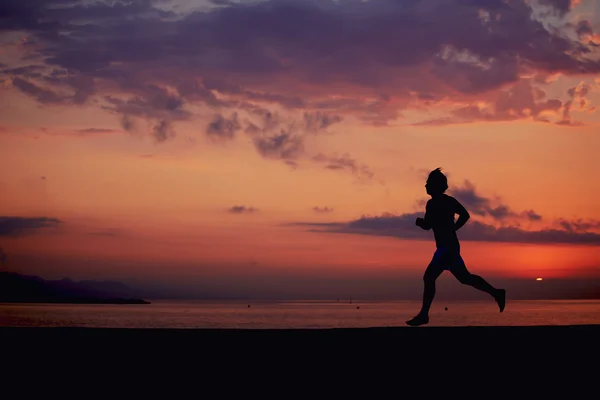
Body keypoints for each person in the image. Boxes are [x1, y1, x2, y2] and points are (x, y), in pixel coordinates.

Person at [406, 168, 505, 327]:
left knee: (429, 277)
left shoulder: (437, 203)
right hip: (449, 246)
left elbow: (458, 217)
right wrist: (426, 224)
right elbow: (434, 223)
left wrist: (425, 224)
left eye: (428, 183)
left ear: (435, 185)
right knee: (464, 278)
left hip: (446, 248)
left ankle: (424, 315)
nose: (425, 185)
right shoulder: (441, 202)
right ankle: (496, 292)